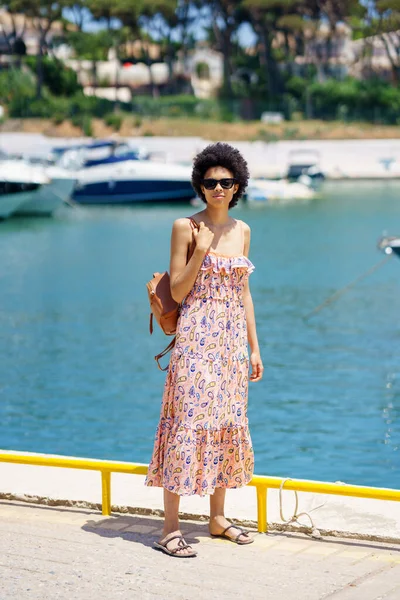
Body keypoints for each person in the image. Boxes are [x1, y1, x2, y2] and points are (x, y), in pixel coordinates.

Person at [145, 142, 263, 557]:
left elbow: (244, 293)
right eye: (210, 182)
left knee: (226, 422)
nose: (218, 188)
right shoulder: (185, 226)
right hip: (196, 337)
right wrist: (202, 250)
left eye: (225, 182)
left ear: (237, 186)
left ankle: (217, 519)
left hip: (231, 341)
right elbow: (177, 289)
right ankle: (169, 529)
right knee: (186, 423)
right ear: (201, 185)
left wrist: (254, 347)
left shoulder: (244, 230)